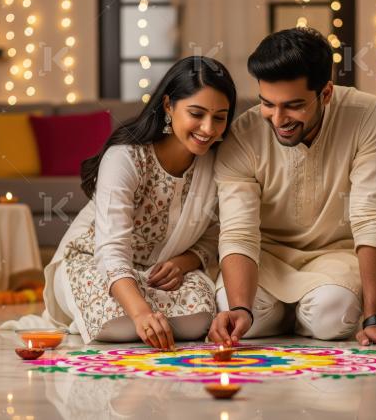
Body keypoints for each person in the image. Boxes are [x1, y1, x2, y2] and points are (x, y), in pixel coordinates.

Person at [208, 27, 376, 347]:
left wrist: (375, 319)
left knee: (333, 316)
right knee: (239, 316)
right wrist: (240, 308)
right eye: (268, 103)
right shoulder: (243, 134)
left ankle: (303, 314)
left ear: (326, 93)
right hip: (266, 259)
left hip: (335, 256)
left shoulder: (367, 115)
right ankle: (285, 315)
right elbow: (239, 232)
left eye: (293, 105)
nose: (278, 119)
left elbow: (370, 218)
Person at [42, 56, 237, 349]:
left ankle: (117, 316)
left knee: (198, 319)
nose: (208, 129)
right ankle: (98, 311)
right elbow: (110, 251)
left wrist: (184, 262)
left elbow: (215, 236)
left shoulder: (217, 162)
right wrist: (141, 313)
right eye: (196, 114)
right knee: (118, 323)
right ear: (169, 106)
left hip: (159, 275)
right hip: (93, 262)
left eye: (219, 117)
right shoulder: (126, 157)